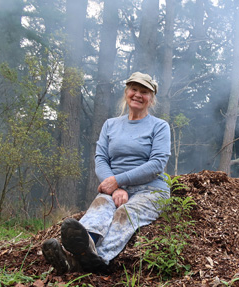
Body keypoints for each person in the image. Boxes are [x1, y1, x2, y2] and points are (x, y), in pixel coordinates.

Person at [42, 72, 171, 274]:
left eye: (144, 92)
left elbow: (156, 164)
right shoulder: (110, 125)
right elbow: (101, 159)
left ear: (151, 98)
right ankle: (76, 254)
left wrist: (117, 181)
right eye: (134, 89)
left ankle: (98, 259)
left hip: (151, 190)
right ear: (126, 92)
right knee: (101, 206)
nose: (138, 95)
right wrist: (116, 187)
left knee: (124, 213)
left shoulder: (160, 126)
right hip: (116, 188)